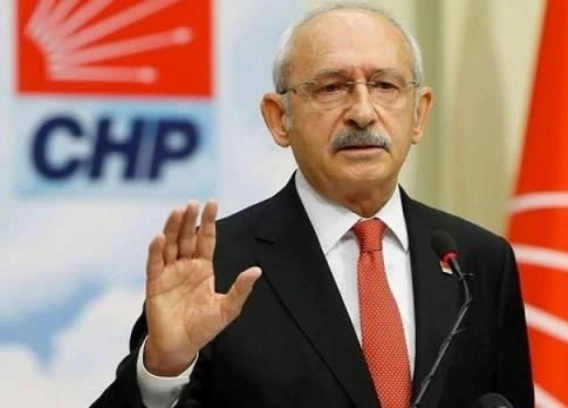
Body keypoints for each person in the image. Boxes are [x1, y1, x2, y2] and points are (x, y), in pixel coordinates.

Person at [93, 2, 533, 407]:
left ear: (419, 114)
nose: (363, 112)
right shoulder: (216, 265)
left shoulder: (477, 261)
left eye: (384, 85)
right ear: (279, 118)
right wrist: (164, 369)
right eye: (332, 88)